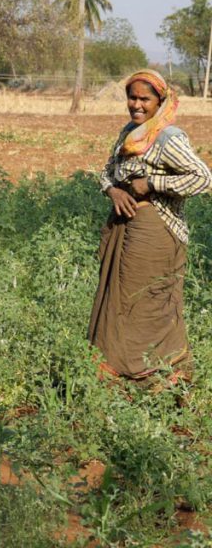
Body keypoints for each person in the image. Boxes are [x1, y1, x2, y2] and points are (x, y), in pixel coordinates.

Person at [89, 68, 212, 382]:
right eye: (133, 97)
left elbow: (202, 177)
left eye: (145, 98)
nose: (137, 105)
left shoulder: (168, 137)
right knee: (119, 299)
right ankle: (117, 370)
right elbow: (108, 172)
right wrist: (114, 190)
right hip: (125, 227)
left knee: (149, 301)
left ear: (160, 100)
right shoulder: (130, 132)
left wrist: (152, 183)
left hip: (156, 230)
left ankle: (160, 377)